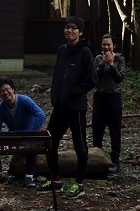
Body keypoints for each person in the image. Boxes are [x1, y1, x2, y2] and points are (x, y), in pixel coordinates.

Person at [36, 15, 98, 200]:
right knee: (50, 143)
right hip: (60, 107)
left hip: (76, 108)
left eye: (73, 28)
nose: (69, 31)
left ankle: (79, 184)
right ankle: (55, 180)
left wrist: (73, 92)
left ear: (80, 32)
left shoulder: (85, 53)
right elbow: (57, 76)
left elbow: (92, 80)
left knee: (80, 147)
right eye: (67, 28)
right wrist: (55, 95)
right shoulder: (62, 50)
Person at [0, 77, 47, 188]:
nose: (5, 93)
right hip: (13, 138)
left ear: (13, 89)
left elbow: (40, 115)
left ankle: (29, 176)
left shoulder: (25, 100)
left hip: (29, 136)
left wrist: (31, 132)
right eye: (2, 91)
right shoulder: (0, 109)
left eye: (7, 89)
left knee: (34, 145)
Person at [92, 32, 126, 174]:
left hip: (113, 98)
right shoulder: (98, 58)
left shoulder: (120, 59)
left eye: (109, 44)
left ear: (114, 46)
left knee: (114, 130)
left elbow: (119, 78)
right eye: (104, 44)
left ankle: (115, 161)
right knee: (97, 129)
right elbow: (94, 78)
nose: (106, 47)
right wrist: (102, 64)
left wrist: (111, 64)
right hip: (99, 98)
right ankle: (96, 158)